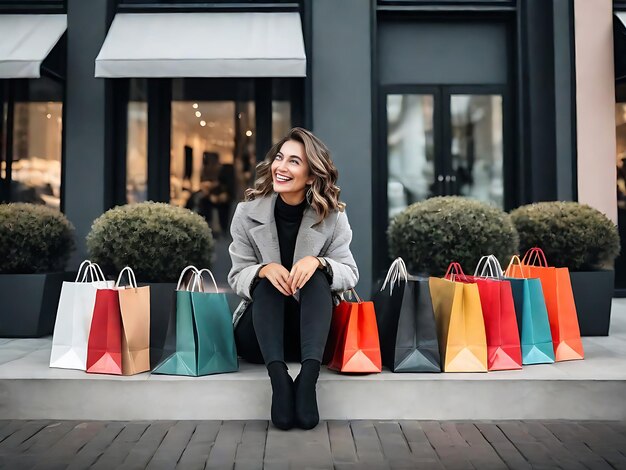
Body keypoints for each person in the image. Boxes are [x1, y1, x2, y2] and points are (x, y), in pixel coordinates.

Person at [228, 127, 358, 431]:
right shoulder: (246, 213)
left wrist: (319, 262)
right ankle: (280, 382)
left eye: (294, 162)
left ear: (312, 175)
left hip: (312, 338)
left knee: (315, 275)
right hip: (259, 336)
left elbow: (350, 273)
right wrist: (262, 270)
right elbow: (236, 275)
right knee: (271, 279)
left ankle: (307, 381)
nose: (281, 167)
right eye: (279, 158)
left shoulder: (333, 217)